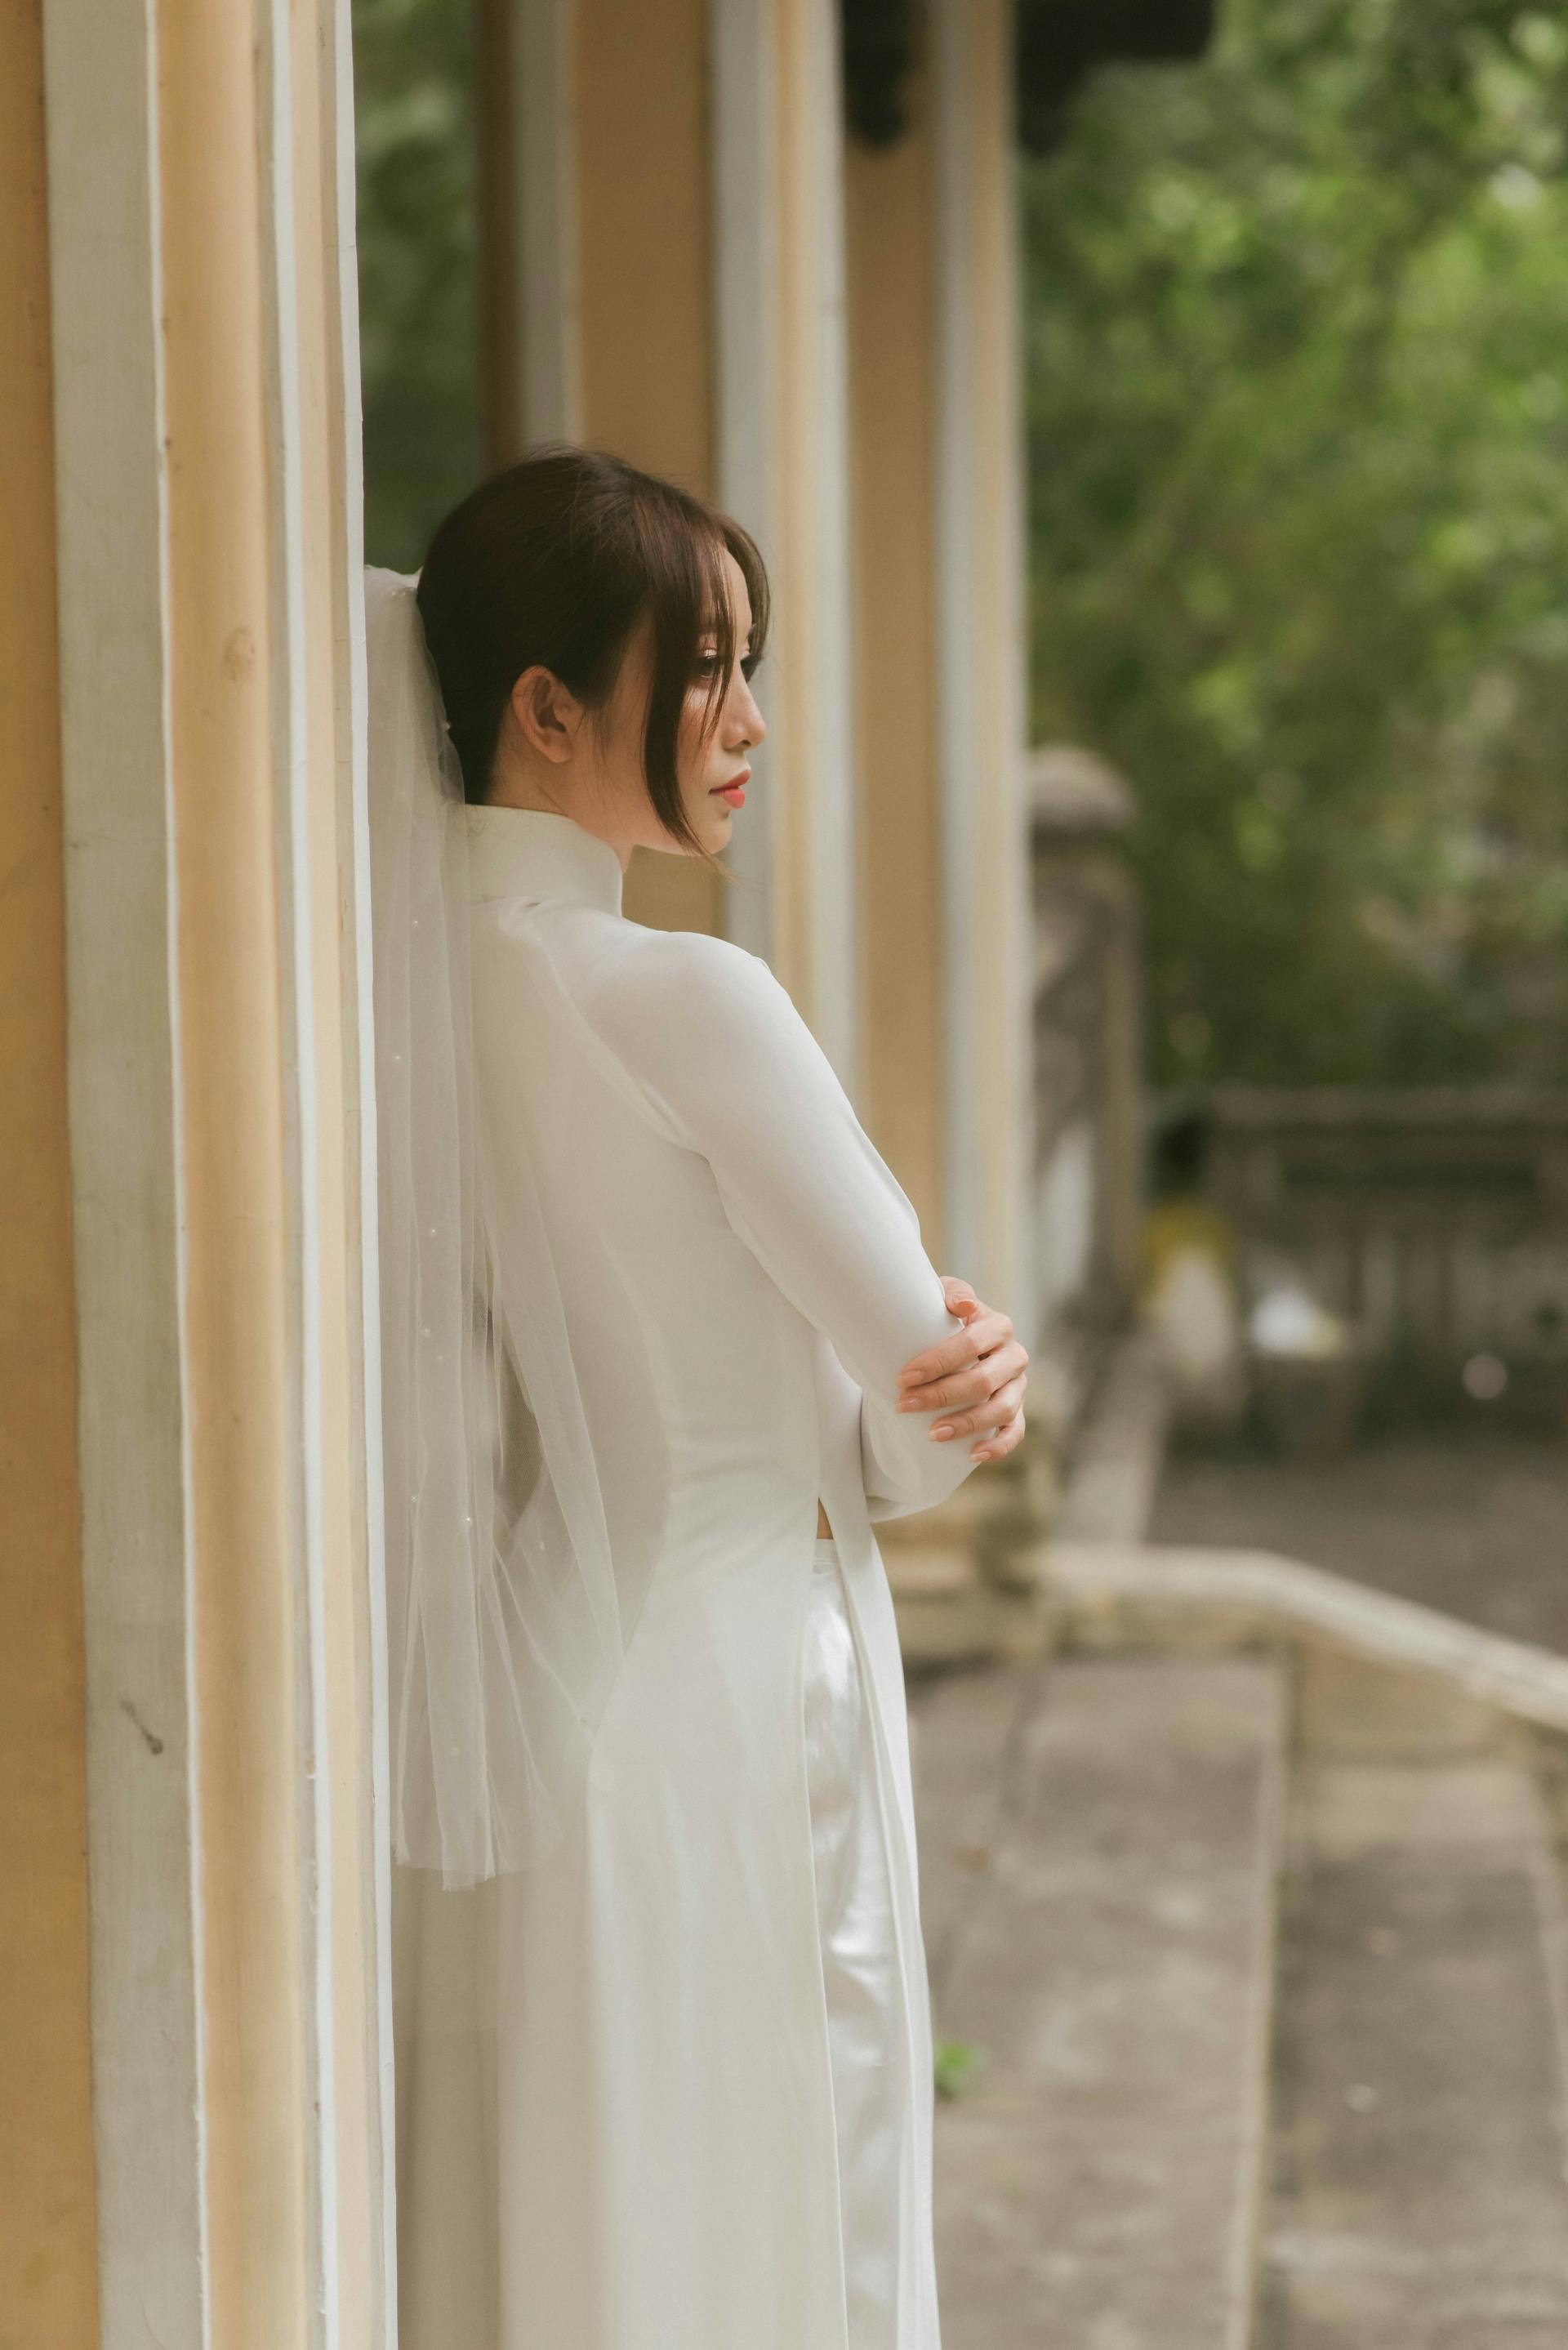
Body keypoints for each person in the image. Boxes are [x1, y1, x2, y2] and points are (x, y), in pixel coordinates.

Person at [368, 444, 1027, 2350]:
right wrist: (960, 1374)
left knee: (583, 2235)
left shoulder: (417, 993)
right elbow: (903, 1437)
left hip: (545, 1689)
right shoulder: (687, 996)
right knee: (776, 2227)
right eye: (704, 669)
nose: (748, 721)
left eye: (752, 664)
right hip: (740, 1699)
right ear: (550, 707)